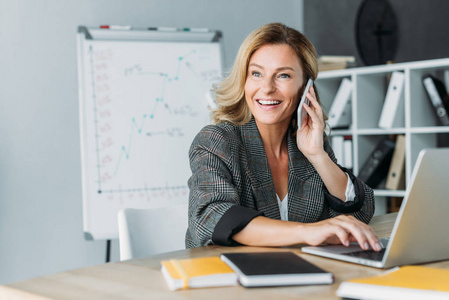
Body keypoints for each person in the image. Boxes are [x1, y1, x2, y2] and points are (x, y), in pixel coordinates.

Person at [186, 23, 381, 252]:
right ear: (243, 81)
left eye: (283, 75)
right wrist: (308, 232)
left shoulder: (307, 145)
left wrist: (318, 155)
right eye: (256, 73)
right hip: (226, 276)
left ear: (305, 87)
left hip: (298, 274)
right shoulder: (217, 141)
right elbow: (212, 217)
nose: (267, 88)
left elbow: (360, 212)